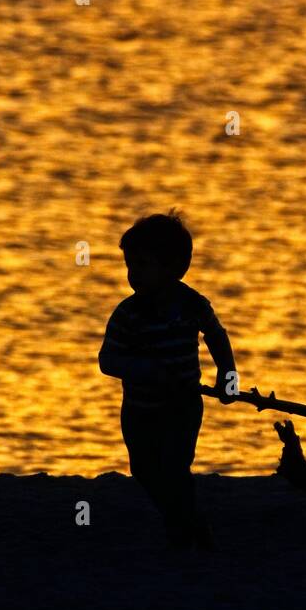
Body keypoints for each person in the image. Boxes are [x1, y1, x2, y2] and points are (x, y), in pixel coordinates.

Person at [99, 210, 237, 551]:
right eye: (130, 266)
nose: (133, 275)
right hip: (139, 410)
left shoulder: (191, 304)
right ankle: (180, 518)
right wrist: (144, 370)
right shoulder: (128, 314)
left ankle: (186, 526)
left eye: (143, 265)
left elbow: (216, 336)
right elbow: (108, 360)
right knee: (144, 470)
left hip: (182, 406)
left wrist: (227, 375)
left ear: (175, 268)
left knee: (176, 468)